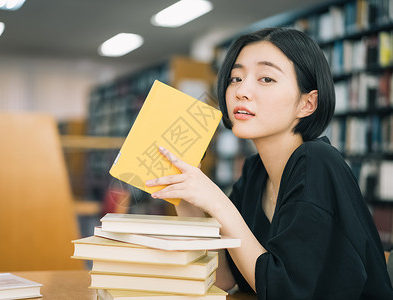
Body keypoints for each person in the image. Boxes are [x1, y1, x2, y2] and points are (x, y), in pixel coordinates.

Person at [146, 27, 393, 299]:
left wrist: (217, 201)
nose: (241, 90)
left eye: (265, 78)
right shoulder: (255, 172)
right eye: (235, 78)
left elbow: (282, 291)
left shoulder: (317, 163)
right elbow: (224, 278)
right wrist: (188, 202)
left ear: (307, 104)